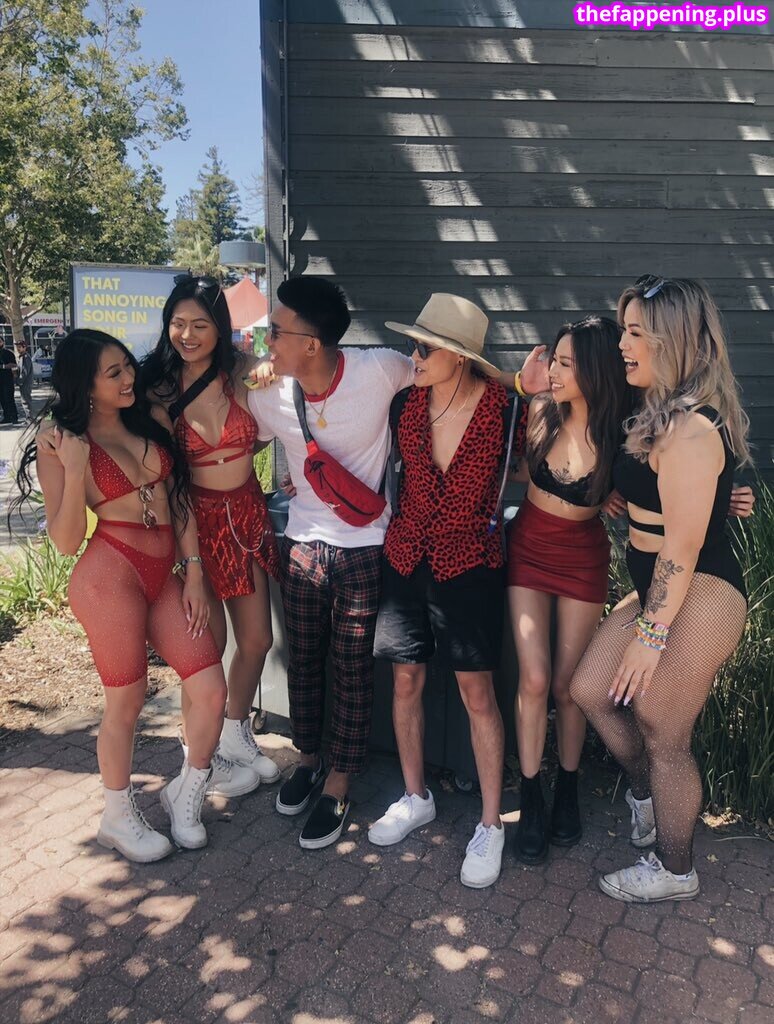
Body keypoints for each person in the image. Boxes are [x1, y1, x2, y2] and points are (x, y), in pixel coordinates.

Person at [20, 329, 234, 861]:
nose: (128, 378)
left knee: (211, 689)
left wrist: (194, 573)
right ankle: (116, 817)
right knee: (127, 700)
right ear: (84, 384)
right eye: (113, 372)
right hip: (108, 577)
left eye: (127, 367)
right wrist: (75, 467)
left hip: (166, 575)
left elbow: (178, 500)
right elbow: (66, 540)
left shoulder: (148, 419)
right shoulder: (62, 441)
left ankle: (186, 789)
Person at [569, 277, 750, 903]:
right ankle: (649, 796)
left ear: (672, 340)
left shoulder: (690, 428)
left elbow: (683, 546)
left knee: (659, 724)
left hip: (703, 588)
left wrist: (650, 636)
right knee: (591, 690)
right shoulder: (654, 410)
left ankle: (675, 870)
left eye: (635, 332)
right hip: (658, 588)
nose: (622, 344)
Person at [368, 294, 546, 888]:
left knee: (477, 693)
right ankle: (415, 795)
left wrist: (603, 491)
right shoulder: (405, 404)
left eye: (425, 348)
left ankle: (491, 823)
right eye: (413, 345)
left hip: (470, 561)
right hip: (406, 555)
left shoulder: (505, 409)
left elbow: (539, 468)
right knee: (405, 679)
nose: (414, 357)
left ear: (460, 357)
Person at [141, 275, 281, 793]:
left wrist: (268, 362)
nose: (188, 335)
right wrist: (193, 567)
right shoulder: (159, 390)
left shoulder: (241, 371)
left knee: (258, 640)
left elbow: (276, 405)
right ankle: (196, 751)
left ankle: (234, 732)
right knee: (208, 652)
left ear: (221, 328)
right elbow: (170, 483)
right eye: (178, 323)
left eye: (200, 324)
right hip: (195, 525)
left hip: (246, 515)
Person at [506, 316, 630, 865]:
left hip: (582, 559)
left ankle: (568, 790)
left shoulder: (620, 433)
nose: (553, 373)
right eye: (554, 360)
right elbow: (512, 466)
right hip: (528, 550)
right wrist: (519, 383)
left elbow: (666, 480)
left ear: (595, 371)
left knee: (568, 686)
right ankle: (531, 796)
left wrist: (727, 496)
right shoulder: (540, 411)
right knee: (533, 678)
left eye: (565, 364)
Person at [0, 337, 19, 424]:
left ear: (3, 342)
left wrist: (3, 366)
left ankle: (14, 417)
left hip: (7, 380)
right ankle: (6, 417)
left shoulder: (8, 353)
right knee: (2, 399)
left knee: (9, 399)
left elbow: (14, 365)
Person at [16, 341, 34, 423]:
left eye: (19, 347)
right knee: (25, 400)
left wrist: (19, 381)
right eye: (17, 347)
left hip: (25, 382)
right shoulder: (22, 357)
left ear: (24, 347)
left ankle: (30, 419)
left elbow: (24, 372)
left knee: (26, 400)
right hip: (24, 382)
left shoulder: (25, 357)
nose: (18, 349)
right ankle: (28, 418)